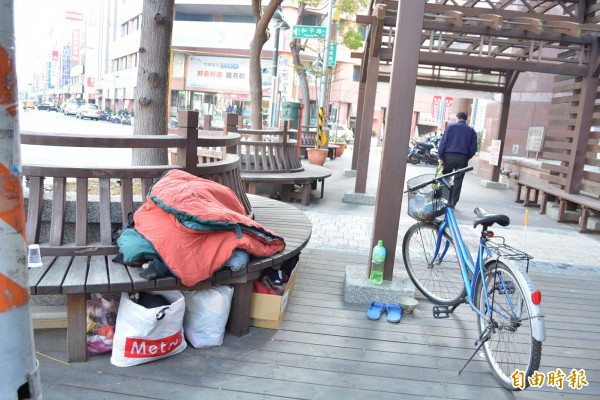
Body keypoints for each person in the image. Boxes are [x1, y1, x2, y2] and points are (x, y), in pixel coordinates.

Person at [438, 111, 478, 207]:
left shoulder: (451, 127)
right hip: (462, 158)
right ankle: (452, 203)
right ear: (466, 119)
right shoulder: (471, 130)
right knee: (458, 180)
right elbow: (473, 148)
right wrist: (467, 157)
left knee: (445, 177)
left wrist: (441, 156)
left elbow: (443, 142)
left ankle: (443, 200)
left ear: (457, 117)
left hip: (449, 156)